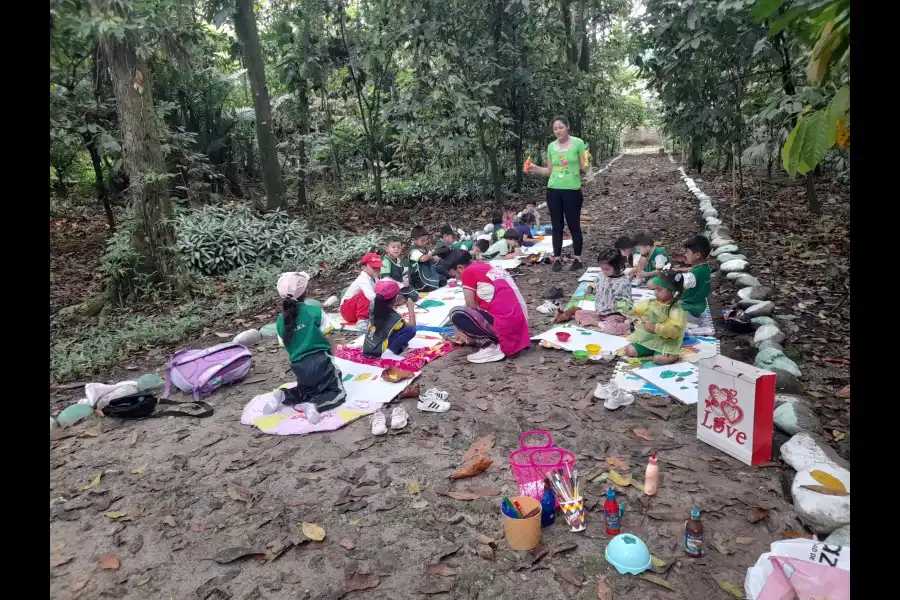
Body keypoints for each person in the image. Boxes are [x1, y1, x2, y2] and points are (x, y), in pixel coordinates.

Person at [272, 272, 346, 424]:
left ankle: (284, 395)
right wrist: (333, 356)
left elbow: (286, 347)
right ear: (306, 292)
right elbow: (327, 336)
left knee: (307, 390)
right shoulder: (315, 311)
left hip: (298, 366)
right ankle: (314, 405)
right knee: (337, 392)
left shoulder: (280, 321)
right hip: (321, 360)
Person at [524, 115, 588, 272]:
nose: (558, 131)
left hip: (572, 191)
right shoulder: (551, 146)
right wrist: (534, 168)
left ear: (567, 127)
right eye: (555, 129)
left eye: (561, 127)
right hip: (553, 190)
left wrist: (587, 158)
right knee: (556, 225)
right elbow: (550, 170)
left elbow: (584, 168)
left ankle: (577, 259)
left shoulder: (578, 143)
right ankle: (557, 258)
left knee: (573, 225)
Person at [444, 250, 531, 364]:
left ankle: (490, 346)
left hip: (505, 327)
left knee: (457, 313)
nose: (457, 279)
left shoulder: (468, 272)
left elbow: (471, 307)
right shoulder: (485, 266)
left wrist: (463, 331)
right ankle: (503, 340)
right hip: (520, 324)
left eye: (455, 275)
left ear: (460, 267)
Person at [554, 247, 633, 335]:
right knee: (579, 313)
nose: (603, 271)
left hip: (614, 315)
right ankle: (599, 324)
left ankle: (625, 326)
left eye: (607, 269)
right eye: (602, 268)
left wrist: (629, 318)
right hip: (599, 312)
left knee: (611, 329)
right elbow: (597, 288)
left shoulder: (623, 283)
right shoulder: (601, 275)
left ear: (618, 266)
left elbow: (628, 303)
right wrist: (591, 289)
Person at [621, 270, 687, 365]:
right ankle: (651, 350)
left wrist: (655, 327)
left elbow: (675, 332)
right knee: (629, 350)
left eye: (659, 289)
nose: (655, 292)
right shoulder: (651, 303)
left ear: (673, 292)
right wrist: (627, 309)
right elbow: (637, 312)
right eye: (654, 289)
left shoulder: (675, 311)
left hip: (666, 343)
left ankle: (673, 355)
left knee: (659, 359)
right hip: (649, 339)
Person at [363, 279, 417, 358]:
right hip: (379, 350)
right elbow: (412, 325)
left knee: (396, 330)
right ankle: (389, 352)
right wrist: (411, 308)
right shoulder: (393, 317)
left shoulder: (373, 307)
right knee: (410, 330)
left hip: (368, 347)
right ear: (395, 299)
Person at [674, 235, 712, 323]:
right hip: (700, 305)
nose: (685, 255)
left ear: (697, 255)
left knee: (666, 307)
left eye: (687, 252)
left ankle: (689, 318)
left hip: (689, 307)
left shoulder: (693, 275)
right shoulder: (705, 268)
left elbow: (680, 287)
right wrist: (681, 270)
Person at [340, 253, 383, 326]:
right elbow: (371, 296)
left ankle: (367, 318)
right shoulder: (363, 279)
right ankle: (362, 321)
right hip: (347, 310)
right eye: (374, 267)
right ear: (364, 268)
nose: (377, 269)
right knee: (366, 294)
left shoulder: (375, 278)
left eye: (378, 267)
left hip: (358, 310)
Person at [408, 225, 447, 292]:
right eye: (422, 241)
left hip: (429, 274)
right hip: (418, 279)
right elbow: (423, 259)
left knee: (443, 277)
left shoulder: (424, 248)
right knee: (434, 285)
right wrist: (432, 251)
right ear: (414, 240)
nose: (425, 242)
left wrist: (442, 256)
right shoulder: (413, 250)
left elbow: (432, 258)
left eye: (426, 240)